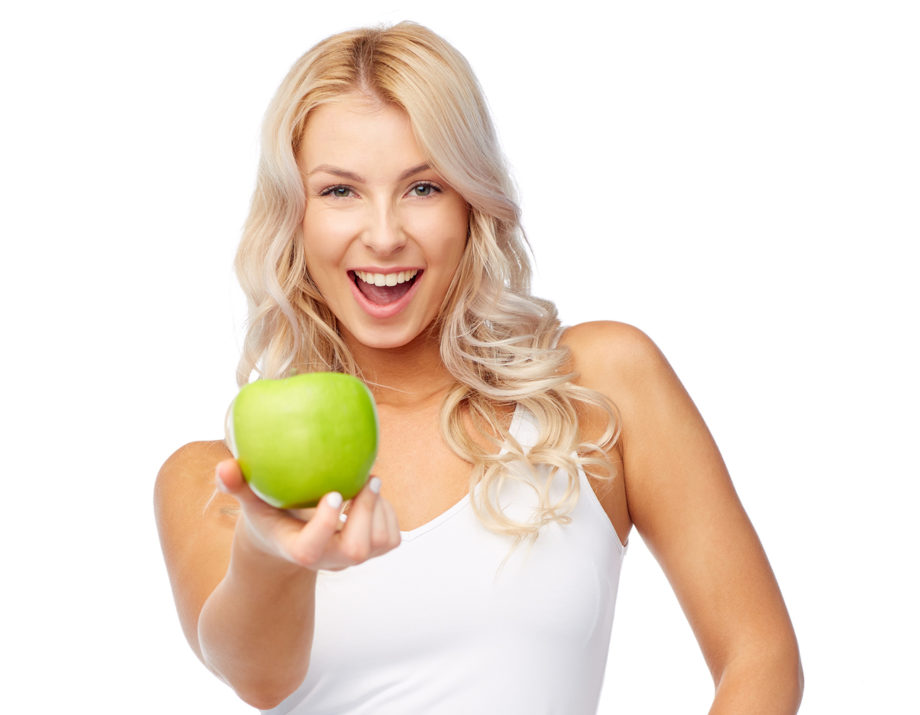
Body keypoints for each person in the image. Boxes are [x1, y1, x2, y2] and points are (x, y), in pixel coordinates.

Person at [154, 21, 803, 714]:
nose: (383, 233)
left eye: (423, 187)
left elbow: (759, 654)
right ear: (294, 218)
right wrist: (270, 547)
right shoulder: (215, 478)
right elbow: (255, 673)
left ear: (471, 203)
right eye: (340, 191)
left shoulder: (598, 387)